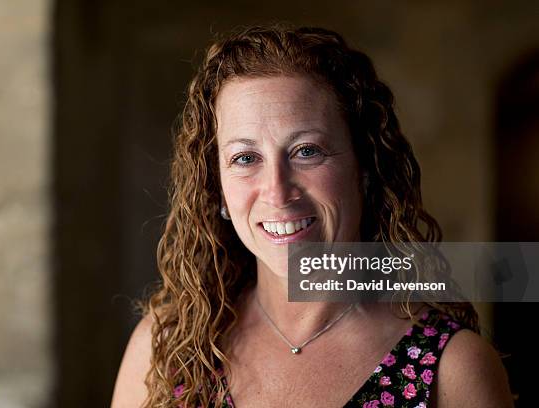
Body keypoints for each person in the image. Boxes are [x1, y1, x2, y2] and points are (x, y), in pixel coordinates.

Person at [111, 25, 513, 407]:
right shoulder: (165, 349)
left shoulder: (452, 370)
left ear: (366, 169)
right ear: (217, 189)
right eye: (245, 158)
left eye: (307, 151)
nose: (277, 191)